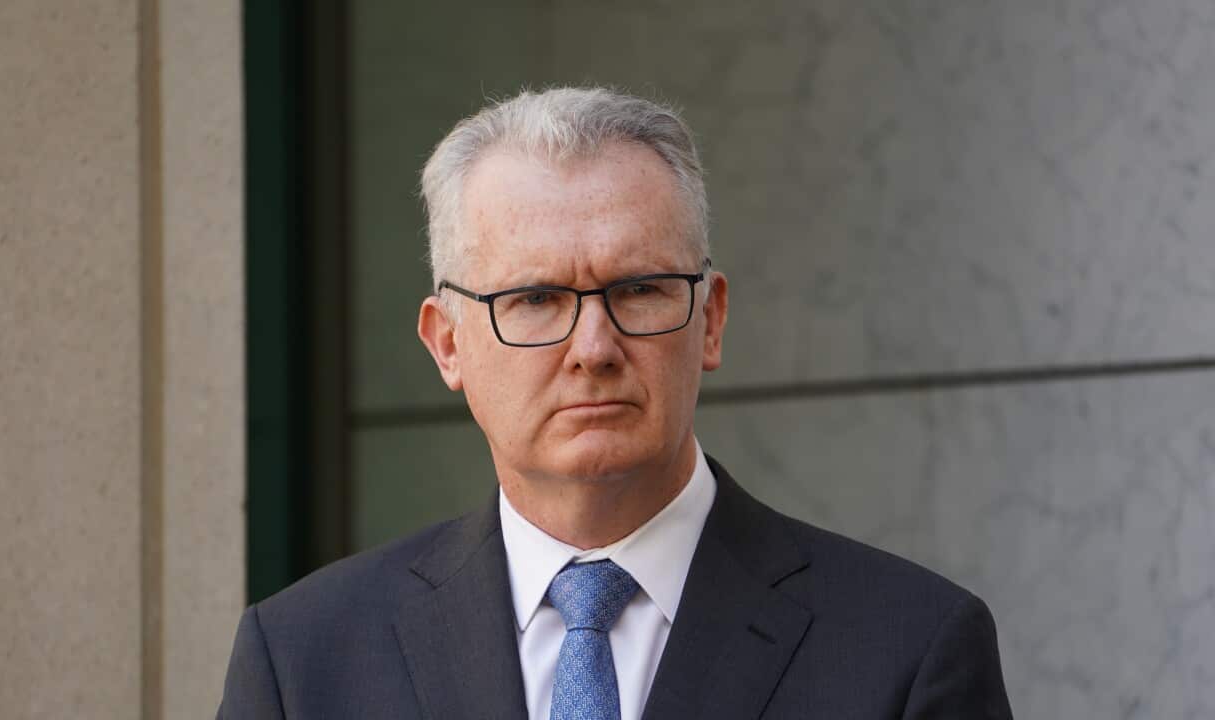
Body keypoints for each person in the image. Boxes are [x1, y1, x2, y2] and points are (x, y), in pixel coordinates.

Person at [218, 86, 1013, 719]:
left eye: (638, 290)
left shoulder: (906, 649)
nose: (593, 348)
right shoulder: (303, 662)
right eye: (534, 299)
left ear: (711, 321)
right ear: (448, 343)